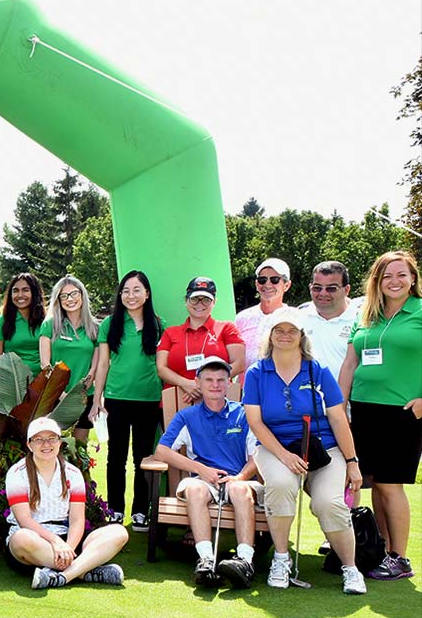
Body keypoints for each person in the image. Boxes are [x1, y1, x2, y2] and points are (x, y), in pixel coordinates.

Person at [243, 308, 366, 595]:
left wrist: (352, 461)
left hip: (323, 447)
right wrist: (285, 457)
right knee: (281, 484)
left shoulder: (317, 369)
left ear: (301, 336)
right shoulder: (257, 373)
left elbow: (337, 417)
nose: (285, 336)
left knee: (329, 503)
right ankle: (281, 558)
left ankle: (350, 568)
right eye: (279, 330)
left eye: (292, 331)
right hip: (276, 448)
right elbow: (255, 423)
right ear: (270, 336)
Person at [338, 250, 421, 581]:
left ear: (413, 278)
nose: (394, 281)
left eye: (401, 275)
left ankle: (400, 558)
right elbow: (350, 363)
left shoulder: (419, 312)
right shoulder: (366, 314)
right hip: (363, 410)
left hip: (402, 412)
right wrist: (338, 405)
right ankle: (382, 549)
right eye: (387, 276)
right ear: (377, 281)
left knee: (390, 485)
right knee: (374, 485)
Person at [153, 357, 262, 588]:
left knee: (241, 490)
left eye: (221, 380)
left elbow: (257, 457)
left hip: (238, 478)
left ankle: (245, 561)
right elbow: (162, 451)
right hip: (201, 480)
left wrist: (240, 477)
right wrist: (201, 470)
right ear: (198, 384)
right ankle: (205, 559)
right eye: (209, 380)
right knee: (194, 489)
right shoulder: (187, 416)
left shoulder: (243, 414)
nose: (215, 385)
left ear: (229, 383)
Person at [6, 417, 130, 589]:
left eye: (51, 438)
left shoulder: (73, 473)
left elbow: (77, 520)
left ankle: (63, 576)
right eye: (38, 439)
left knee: (119, 532)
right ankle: (85, 571)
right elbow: (24, 520)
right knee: (21, 538)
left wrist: (67, 548)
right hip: (34, 540)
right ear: (29, 445)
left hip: (67, 539)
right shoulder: (17, 473)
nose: (46, 444)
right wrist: (55, 542)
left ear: (60, 442)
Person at [92, 270, 164, 531]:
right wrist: (96, 399)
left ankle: (140, 512)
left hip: (148, 400)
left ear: (147, 294)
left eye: (136, 290)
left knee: (143, 457)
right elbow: (102, 364)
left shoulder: (159, 324)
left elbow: (163, 364)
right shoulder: (109, 324)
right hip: (116, 399)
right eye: (126, 290)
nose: (131, 296)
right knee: (116, 457)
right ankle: (115, 510)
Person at [156, 277, 246, 402]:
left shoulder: (227, 328)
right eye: (194, 299)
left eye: (206, 300)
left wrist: (206, 385)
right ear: (186, 301)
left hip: (218, 401)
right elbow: (161, 368)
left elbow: (239, 364)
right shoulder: (170, 333)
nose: (200, 304)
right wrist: (186, 384)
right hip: (177, 402)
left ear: (214, 302)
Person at [39, 276, 100, 445]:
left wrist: (78, 393)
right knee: (55, 448)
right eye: (63, 296)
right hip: (55, 397)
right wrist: (62, 394)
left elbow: (94, 368)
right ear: (58, 300)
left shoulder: (95, 328)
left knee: (80, 449)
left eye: (74, 293)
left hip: (83, 396)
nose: (69, 299)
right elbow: (45, 364)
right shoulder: (49, 325)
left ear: (82, 295)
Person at [300, 261, 360, 371]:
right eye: (317, 288)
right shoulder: (298, 318)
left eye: (331, 288)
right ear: (310, 288)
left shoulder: (362, 321)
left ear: (346, 290)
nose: (323, 293)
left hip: (348, 388)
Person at [236, 257, 293, 368]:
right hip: (246, 384)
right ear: (257, 284)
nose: (267, 285)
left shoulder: (294, 317)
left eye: (274, 280)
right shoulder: (242, 318)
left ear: (286, 285)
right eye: (262, 280)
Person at [0, 272, 47, 376]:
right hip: (13, 386)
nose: (20, 295)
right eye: (15, 291)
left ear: (34, 292)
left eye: (25, 290)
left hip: (43, 385)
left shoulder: (46, 321)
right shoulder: (0, 322)